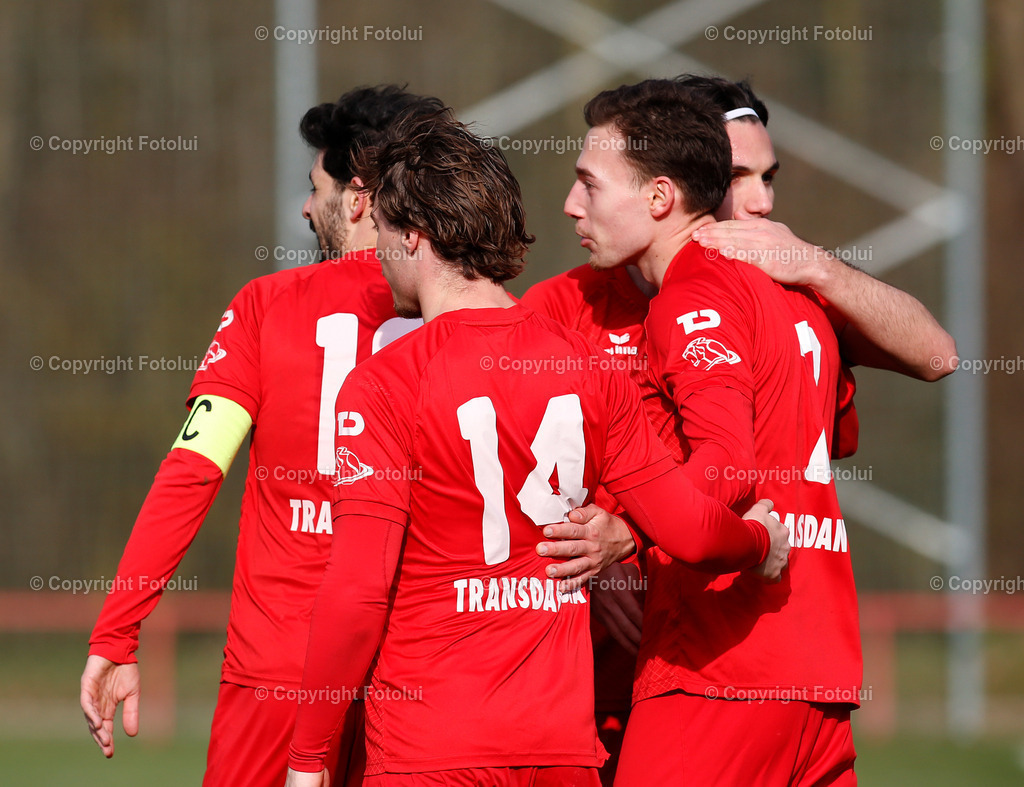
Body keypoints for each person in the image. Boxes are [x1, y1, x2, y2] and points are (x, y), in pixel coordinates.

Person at [284, 109, 789, 787]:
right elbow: (692, 531)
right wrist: (760, 544)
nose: (376, 255)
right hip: (560, 751)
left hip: (432, 750)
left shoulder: (385, 384)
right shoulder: (586, 364)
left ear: (415, 236)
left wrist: (308, 757)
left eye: (381, 234)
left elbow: (355, 593)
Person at [523, 76, 956, 784]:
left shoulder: (745, 293)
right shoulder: (565, 308)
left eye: (767, 178)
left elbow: (730, 464)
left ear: (666, 189)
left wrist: (633, 532)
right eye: (739, 177)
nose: (761, 203)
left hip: (719, 656)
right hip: (773, 671)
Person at [80, 85, 443, 787]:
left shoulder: (264, 307)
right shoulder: (458, 313)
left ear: (359, 197)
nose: (307, 208)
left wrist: (117, 630)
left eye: (317, 188)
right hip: (412, 676)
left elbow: (192, 471)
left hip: (278, 673)